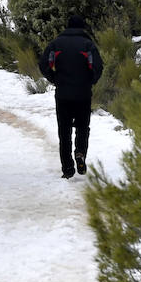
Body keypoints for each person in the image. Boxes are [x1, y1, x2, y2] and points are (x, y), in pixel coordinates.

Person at [38, 14, 104, 179]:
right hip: (83, 94)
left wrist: (54, 79)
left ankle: (67, 169)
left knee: (64, 132)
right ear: (82, 27)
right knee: (82, 128)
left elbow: (44, 64)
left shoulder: (56, 44)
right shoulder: (88, 44)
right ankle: (80, 152)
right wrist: (90, 81)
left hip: (63, 94)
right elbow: (98, 66)